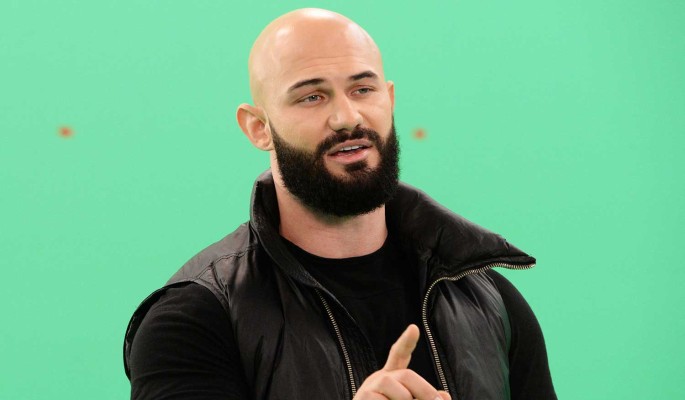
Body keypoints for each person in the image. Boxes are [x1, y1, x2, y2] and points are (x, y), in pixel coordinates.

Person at [123, 8, 557, 400]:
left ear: (389, 99)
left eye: (363, 89)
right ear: (259, 128)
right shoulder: (194, 318)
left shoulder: (485, 299)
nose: (347, 117)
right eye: (312, 96)